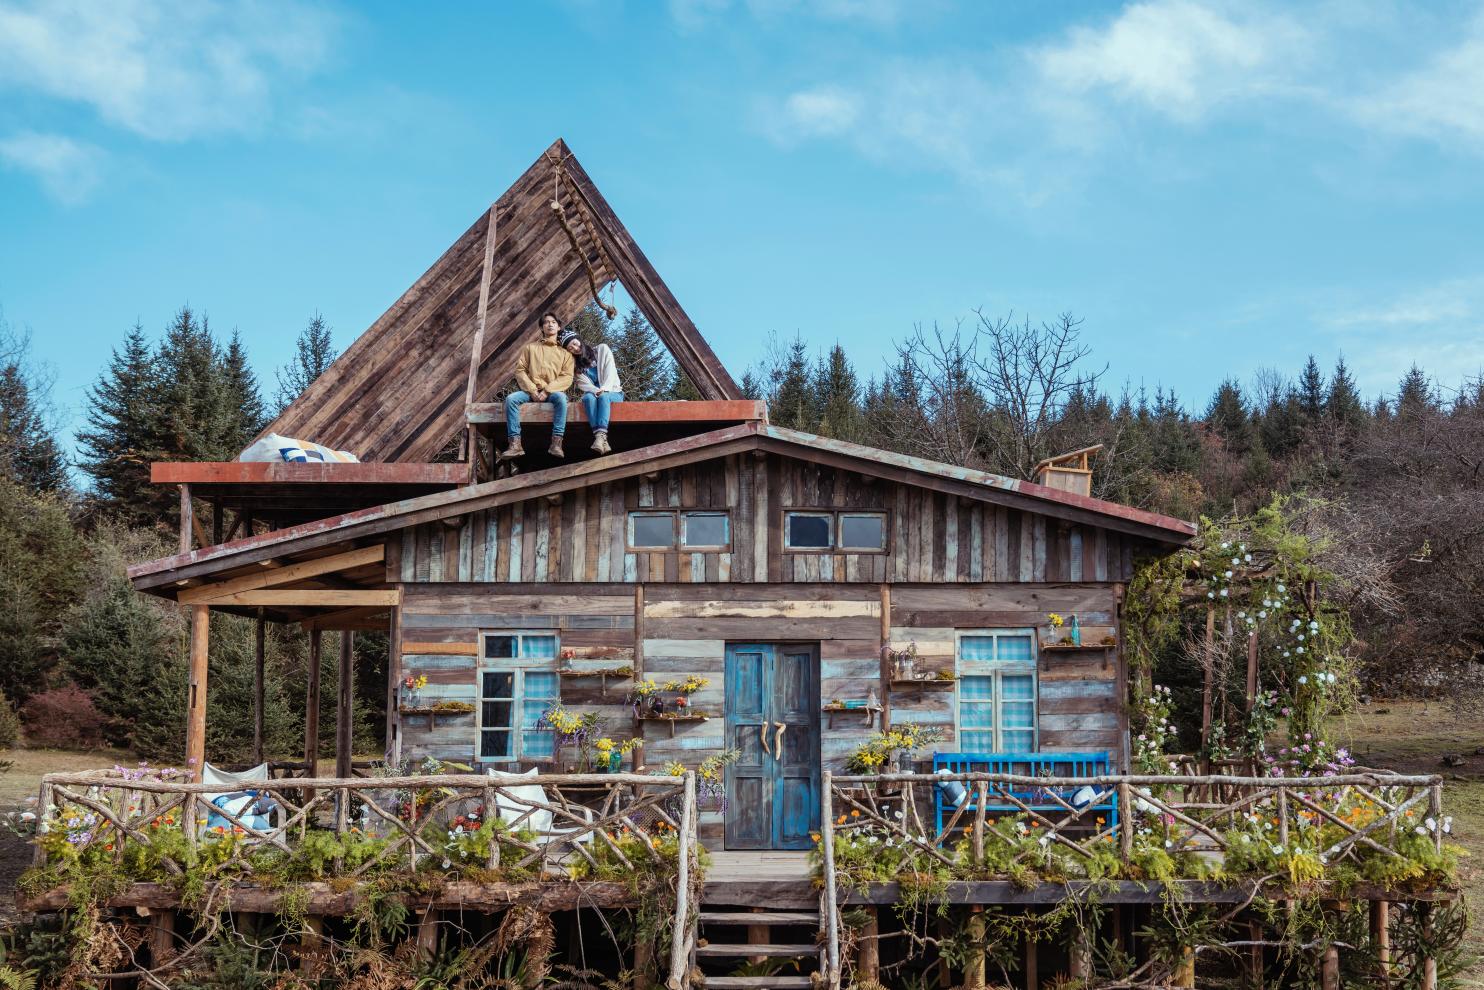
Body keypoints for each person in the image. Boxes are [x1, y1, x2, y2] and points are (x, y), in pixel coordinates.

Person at [502, 313, 575, 459]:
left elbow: (567, 376)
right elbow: (520, 370)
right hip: (531, 391)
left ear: (558, 326)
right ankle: (515, 444)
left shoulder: (565, 353)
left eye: (553, 322)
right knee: (511, 399)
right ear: (542, 327)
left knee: (561, 399)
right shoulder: (530, 348)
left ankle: (556, 443)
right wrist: (532, 390)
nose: (550, 324)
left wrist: (547, 390)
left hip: (553, 392)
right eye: (546, 322)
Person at [561, 328, 624, 454]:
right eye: (570, 348)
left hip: (614, 392)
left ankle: (600, 436)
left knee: (603, 397)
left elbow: (610, 371)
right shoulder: (577, 368)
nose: (575, 348)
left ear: (578, 339)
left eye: (574, 343)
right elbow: (584, 385)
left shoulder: (602, 349)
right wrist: (596, 390)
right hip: (595, 394)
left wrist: (604, 389)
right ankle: (601, 439)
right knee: (587, 398)